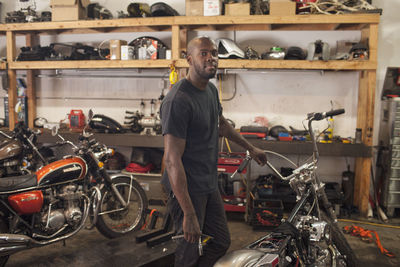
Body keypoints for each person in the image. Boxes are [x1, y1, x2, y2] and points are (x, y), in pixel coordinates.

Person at [160, 36, 268, 267]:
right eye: (204, 54)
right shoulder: (178, 100)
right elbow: (171, 160)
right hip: (187, 189)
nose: (211, 58)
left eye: (214, 53)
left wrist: (251, 148)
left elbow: (222, 125)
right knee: (188, 251)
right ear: (189, 59)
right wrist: (188, 213)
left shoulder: (209, 90)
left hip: (207, 184)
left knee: (219, 242)